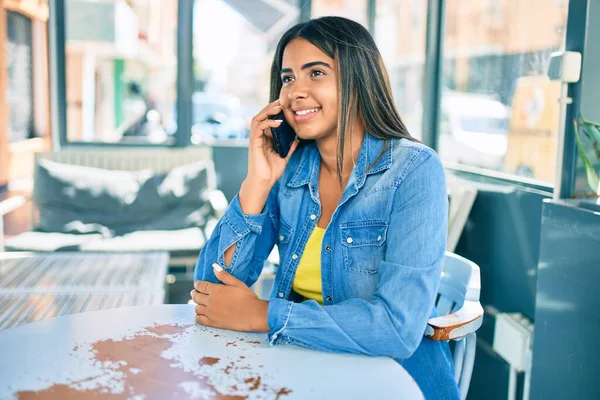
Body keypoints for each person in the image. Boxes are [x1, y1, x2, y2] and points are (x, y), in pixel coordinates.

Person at [191, 16, 459, 399]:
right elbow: (211, 291)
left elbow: (398, 328)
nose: (295, 91)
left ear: (358, 78)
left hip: (395, 382)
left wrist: (262, 314)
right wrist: (258, 182)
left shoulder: (414, 171)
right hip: (307, 372)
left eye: (315, 72)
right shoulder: (289, 171)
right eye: (287, 78)